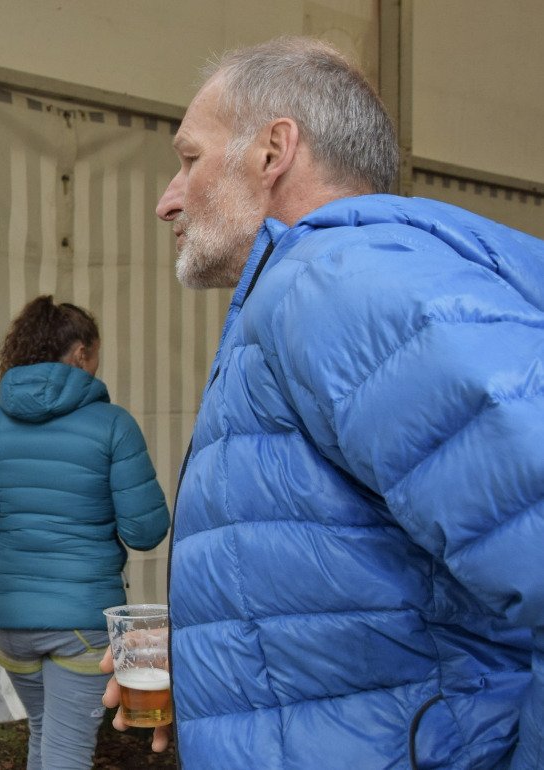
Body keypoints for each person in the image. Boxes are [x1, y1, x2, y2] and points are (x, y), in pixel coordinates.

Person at [104, 36, 544, 768]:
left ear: (273, 151)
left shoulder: (341, 285)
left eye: (188, 159)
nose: (167, 200)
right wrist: (222, 682)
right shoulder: (324, 290)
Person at [0, 295, 170, 769]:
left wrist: (24, 551)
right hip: (83, 621)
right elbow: (145, 530)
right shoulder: (114, 424)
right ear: (79, 353)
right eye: (96, 352)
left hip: (9, 618)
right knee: (67, 754)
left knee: (44, 736)